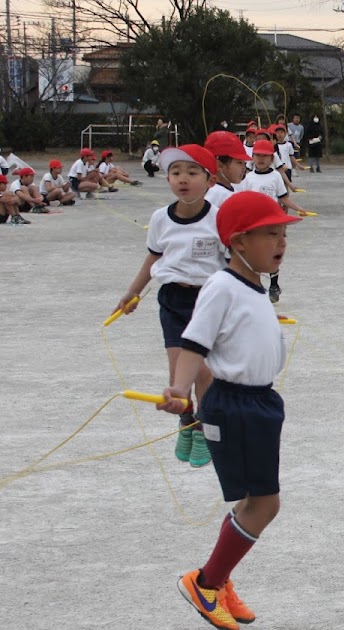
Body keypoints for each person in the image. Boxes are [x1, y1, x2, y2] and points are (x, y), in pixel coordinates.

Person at [156, 190, 299, 630]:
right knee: (265, 503)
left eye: (283, 234)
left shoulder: (252, 284)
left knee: (254, 500)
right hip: (234, 404)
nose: (281, 243)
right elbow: (194, 341)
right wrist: (181, 388)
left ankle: (218, 580)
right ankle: (205, 582)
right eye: (270, 234)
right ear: (238, 242)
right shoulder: (221, 286)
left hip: (260, 402)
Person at [113, 145, 223, 470]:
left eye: (192, 172)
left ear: (210, 180)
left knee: (204, 370)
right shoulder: (161, 218)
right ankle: (186, 417)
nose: (182, 179)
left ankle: (202, 426)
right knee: (179, 372)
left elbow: (236, 265)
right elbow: (153, 257)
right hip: (173, 300)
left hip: (209, 301)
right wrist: (132, 292)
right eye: (175, 173)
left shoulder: (220, 218)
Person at [240, 139, 310, 303]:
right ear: (252, 157)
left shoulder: (276, 177)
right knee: (254, 255)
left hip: (271, 223)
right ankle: (255, 286)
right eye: (257, 155)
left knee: (272, 254)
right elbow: (242, 201)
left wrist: (298, 208)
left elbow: (283, 198)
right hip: (254, 224)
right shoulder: (248, 178)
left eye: (265, 156)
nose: (261, 159)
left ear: (272, 158)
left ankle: (274, 285)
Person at [204, 131, 249, 208]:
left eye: (244, 163)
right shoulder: (214, 195)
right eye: (239, 163)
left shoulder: (231, 189)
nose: (244, 168)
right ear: (219, 165)